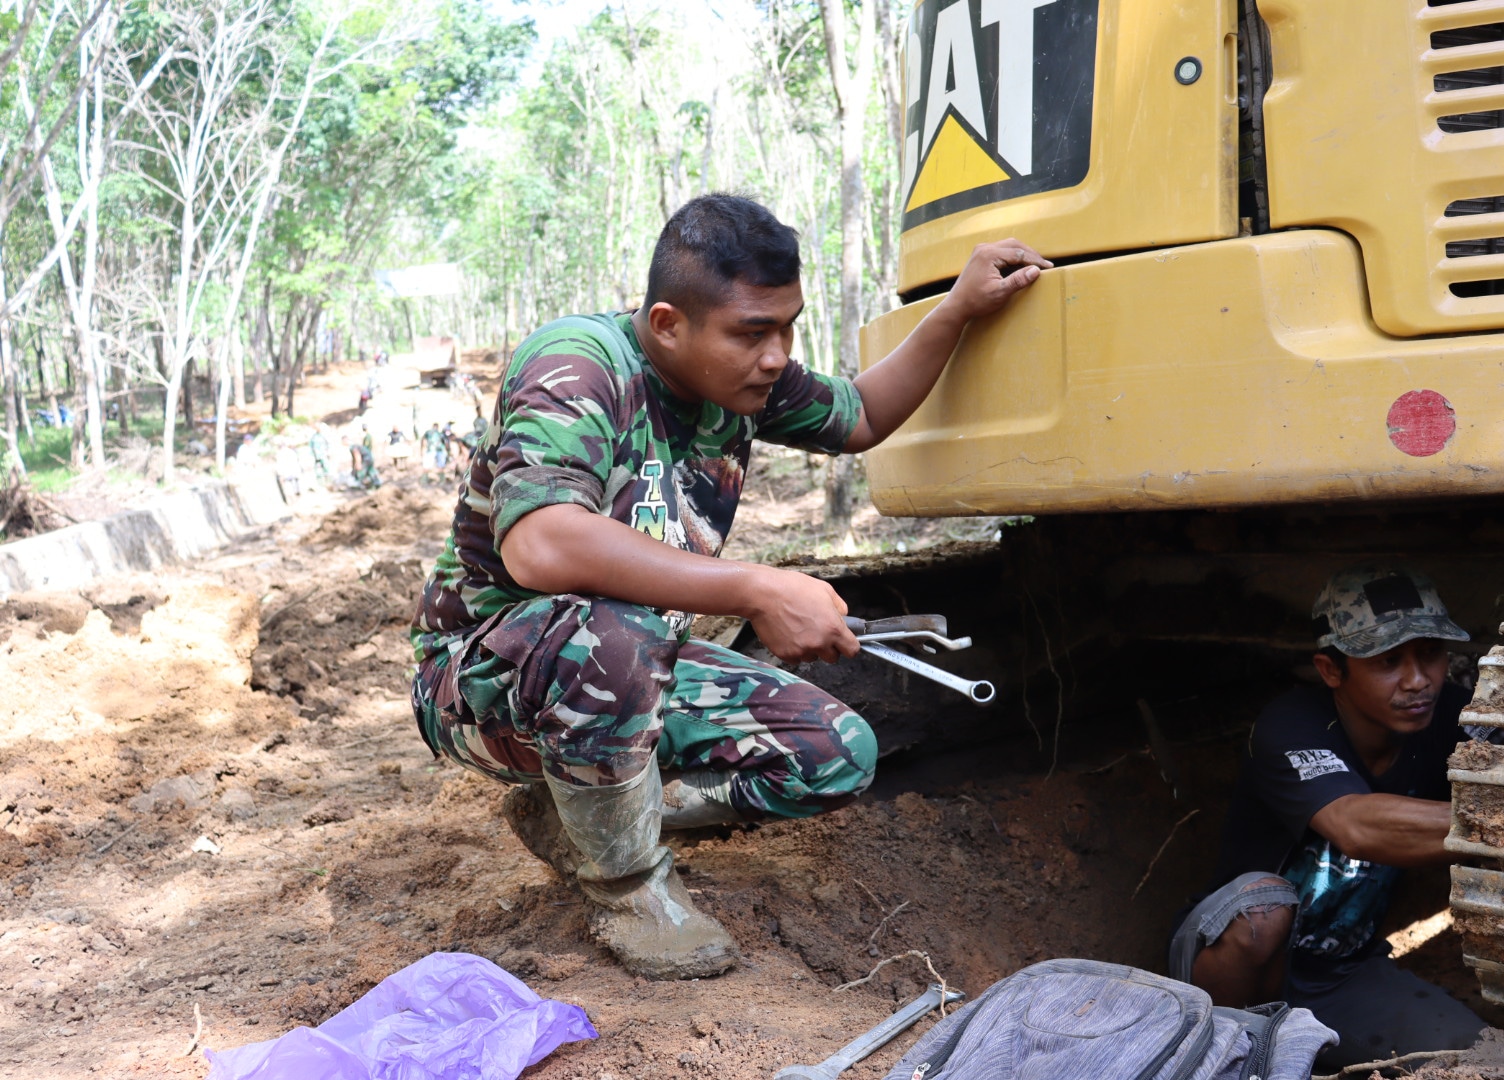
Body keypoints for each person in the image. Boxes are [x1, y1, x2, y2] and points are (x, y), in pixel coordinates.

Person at [410, 193, 1048, 980]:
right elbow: (540, 543)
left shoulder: (743, 377)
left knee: (835, 752)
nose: (776, 355)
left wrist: (955, 309)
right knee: (616, 636)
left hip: (630, 668)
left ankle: (586, 814)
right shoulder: (578, 364)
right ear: (669, 323)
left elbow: (861, 416)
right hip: (486, 678)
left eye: (787, 327)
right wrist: (755, 588)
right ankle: (628, 887)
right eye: (753, 332)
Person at [1168, 565, 1489, 1069]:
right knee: (1262, 913)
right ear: (1331, 670)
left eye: (1430, 653)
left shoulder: (1449, 712)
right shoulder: (1290, 724)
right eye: (1388, 661)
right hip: (1236, 962)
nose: (1418, 680)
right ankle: (1215, 1050)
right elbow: (1356, 825)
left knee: (1477, 1060)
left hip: (1342, 973)